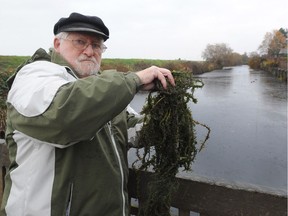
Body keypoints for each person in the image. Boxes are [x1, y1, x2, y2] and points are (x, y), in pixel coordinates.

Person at [0, 12, 175, 216]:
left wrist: (167, 117)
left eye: (97, 45)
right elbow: (63, 115)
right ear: (57, 44)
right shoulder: (35, 76)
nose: (89, 51)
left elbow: (132, 130)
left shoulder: (107, 91)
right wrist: (133, 80)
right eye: (80, 41)